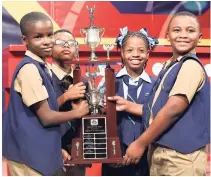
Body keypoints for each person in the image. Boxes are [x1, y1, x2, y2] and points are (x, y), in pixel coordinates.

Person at [108, 11, 210, 176]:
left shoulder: (190, 66)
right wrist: (128, 106)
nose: (183, 35)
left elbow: (173, 109)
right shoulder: (172, 66)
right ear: (168, 36)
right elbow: (157, 109)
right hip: (164, 159)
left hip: (181, 160)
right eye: (177, 30)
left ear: (200, 37)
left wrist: (140, 143)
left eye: (190, 31)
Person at [2, 12, 89, 176]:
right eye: (38, 37)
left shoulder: (41, 67)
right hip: (28, 155)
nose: (47, 41)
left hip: (40, 152)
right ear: (24, 40)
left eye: (50, 35)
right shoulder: (29, 69)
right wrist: (76, 112)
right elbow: (47, 117)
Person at [100, 27, 158, 176]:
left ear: (147, 54)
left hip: (146, 157)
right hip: (113, 157)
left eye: (141, 50)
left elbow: (161, 116)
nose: (135, 55)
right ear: (122, 53)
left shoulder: (156, 84)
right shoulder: (106, 82)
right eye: (130, 50)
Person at [51, 29, 87, 176]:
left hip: (77, 155)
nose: (66, 46)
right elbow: (38, 115)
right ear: (50, 47)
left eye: (70, 43)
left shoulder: (84, 81)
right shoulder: (43, 77)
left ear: (76, 48)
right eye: (60, 42)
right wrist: (65, 97)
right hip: (49, 152)